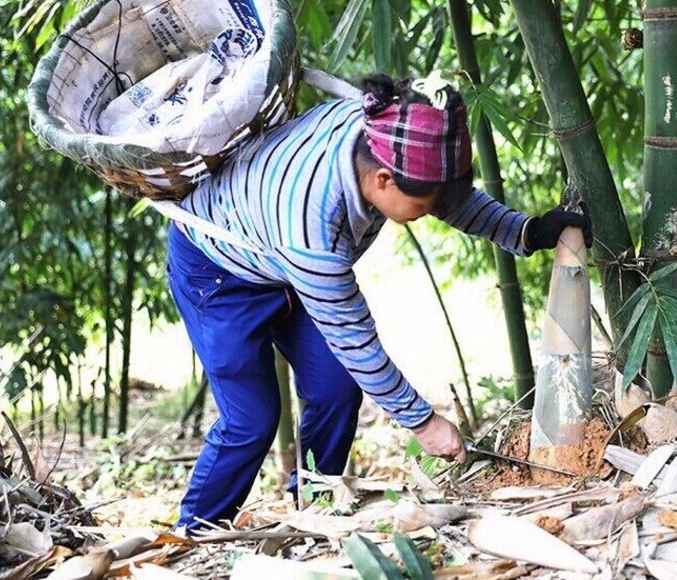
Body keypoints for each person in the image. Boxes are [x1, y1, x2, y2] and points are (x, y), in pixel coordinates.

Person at [166, 73, 591, 531]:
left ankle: (314, 507)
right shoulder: (312, 229)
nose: (430, 214)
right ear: (384, 181)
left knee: (335, 387)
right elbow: (357, 344)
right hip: (217, 270)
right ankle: (196, 529)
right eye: (423, 207)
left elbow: (446, 198)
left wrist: (524, 232)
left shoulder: (382, 131)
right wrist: (424, 423)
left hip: (275, 253)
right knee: (252, 419)